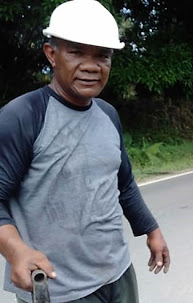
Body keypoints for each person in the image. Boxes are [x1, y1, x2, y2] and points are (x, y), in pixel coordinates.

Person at [0, 1, 170, 302]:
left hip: (118, 273)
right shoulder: (23, 117)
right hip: (57, 289)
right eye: (76, 52)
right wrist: (16, 250)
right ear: (52, 55)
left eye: (102, 56)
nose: (91, 66)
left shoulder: (108, 114)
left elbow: (124, 183)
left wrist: (151, 230)